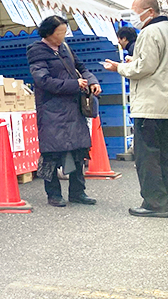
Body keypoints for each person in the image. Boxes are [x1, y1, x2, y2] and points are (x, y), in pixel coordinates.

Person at [104, 0, 168, 218]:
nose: (133, 17)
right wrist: (137, 62)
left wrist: (120, 68)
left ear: (149, 11)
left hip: (152, 103)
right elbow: (160, 63)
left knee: (148, 156)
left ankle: (155, 203)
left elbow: (145, 67)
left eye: (135, 12)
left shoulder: (150, 32)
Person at [27, 15, 102, 207]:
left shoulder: (65, 48)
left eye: (64, 31)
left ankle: (78, 192)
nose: (63, 35)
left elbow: (81, 67)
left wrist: (92, 81)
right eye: (60, 32)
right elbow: (42, 80)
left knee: (78, 150)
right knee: (52, 152)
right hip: (52, 110)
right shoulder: (36, 50)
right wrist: (73, 84)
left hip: (73, 108)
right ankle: (53, 194)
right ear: (49, 33)